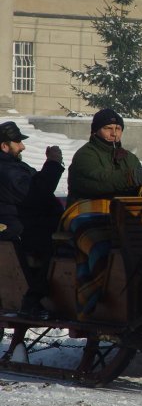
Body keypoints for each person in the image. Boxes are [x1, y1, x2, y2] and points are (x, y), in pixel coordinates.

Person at [65, 109, 142, 319]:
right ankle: (98, 298)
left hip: (120, 216)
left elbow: (136, 186)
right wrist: (132, 178)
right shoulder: (85, 155)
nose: (114, 133)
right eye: (108, 128)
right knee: (102, 245)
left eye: (118, 128)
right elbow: (99, 180)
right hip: (84, 213)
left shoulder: (129, 158)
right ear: (96, 131)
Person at [0, 121, 65, 320]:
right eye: (18, 142)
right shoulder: (6, 170)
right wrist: (53, 164)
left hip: (25, 222)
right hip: (16, 227)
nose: (23, 147)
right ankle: (34, 298)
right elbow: (35, 193)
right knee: (55, 243)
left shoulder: (13, 166)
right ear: (4, 146)